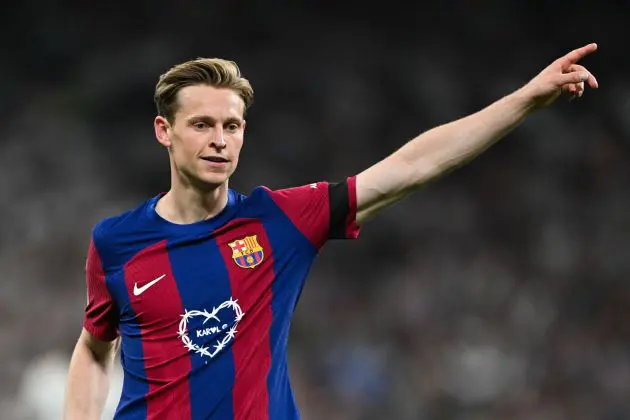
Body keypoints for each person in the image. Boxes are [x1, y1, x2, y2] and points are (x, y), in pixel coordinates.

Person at [63, 42, 599, 419]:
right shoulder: (116, 243)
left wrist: (524, 99)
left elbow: (411, 168)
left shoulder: (278, 222)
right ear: (165, 131)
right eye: (202, 125)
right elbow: (94, 348)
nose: (219, 140)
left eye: (231, 126)